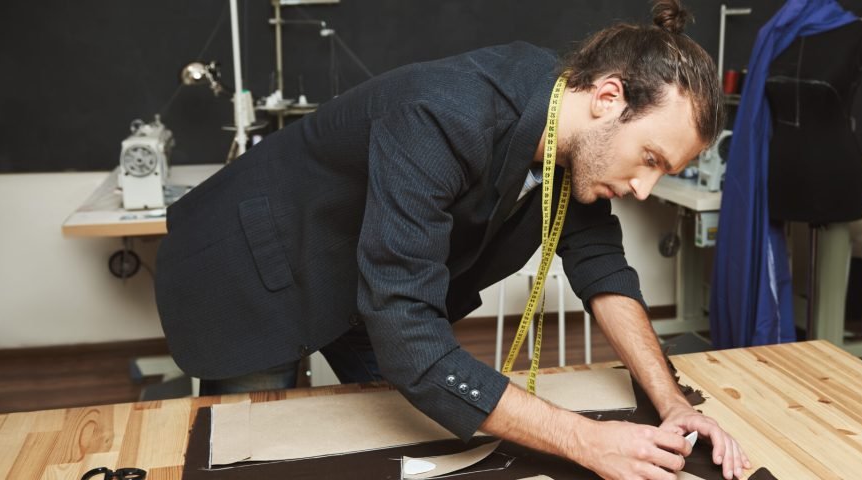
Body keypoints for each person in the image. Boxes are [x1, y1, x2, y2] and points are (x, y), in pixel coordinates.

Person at [154, 1, 749, 478]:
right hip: (252, 267)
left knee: (407, 442)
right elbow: (412, 339)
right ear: (608, 97)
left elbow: (604, 271)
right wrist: (584, 439)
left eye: (661, 171)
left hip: (366, 277)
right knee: (259, 455)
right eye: (648, 157)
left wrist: (672, 404)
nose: (645, 188)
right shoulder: (443, 113)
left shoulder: (571, 140)